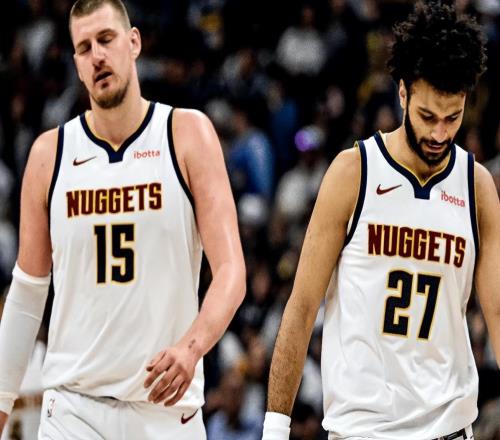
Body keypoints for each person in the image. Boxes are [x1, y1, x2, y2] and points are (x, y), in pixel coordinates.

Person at [0, 0, 246, 438]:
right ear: (76, 64)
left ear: (134, 43)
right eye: (84, 48)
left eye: (106, 39)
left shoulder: (187, 134)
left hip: (166, 410)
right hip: (73, 411)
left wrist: (191, 348)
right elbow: (27, 294)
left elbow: (231, 271)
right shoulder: (49, 155)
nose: (97, 55)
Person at [263, 2, 500, 440]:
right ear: (403, 93)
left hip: (449, 428)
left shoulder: (477, 186)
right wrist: (275, 429)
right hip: (364, 430)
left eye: (453, 117)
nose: (440, 133)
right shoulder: (354, 172)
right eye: (428, 116)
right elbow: (301, 307)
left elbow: (499, 312)